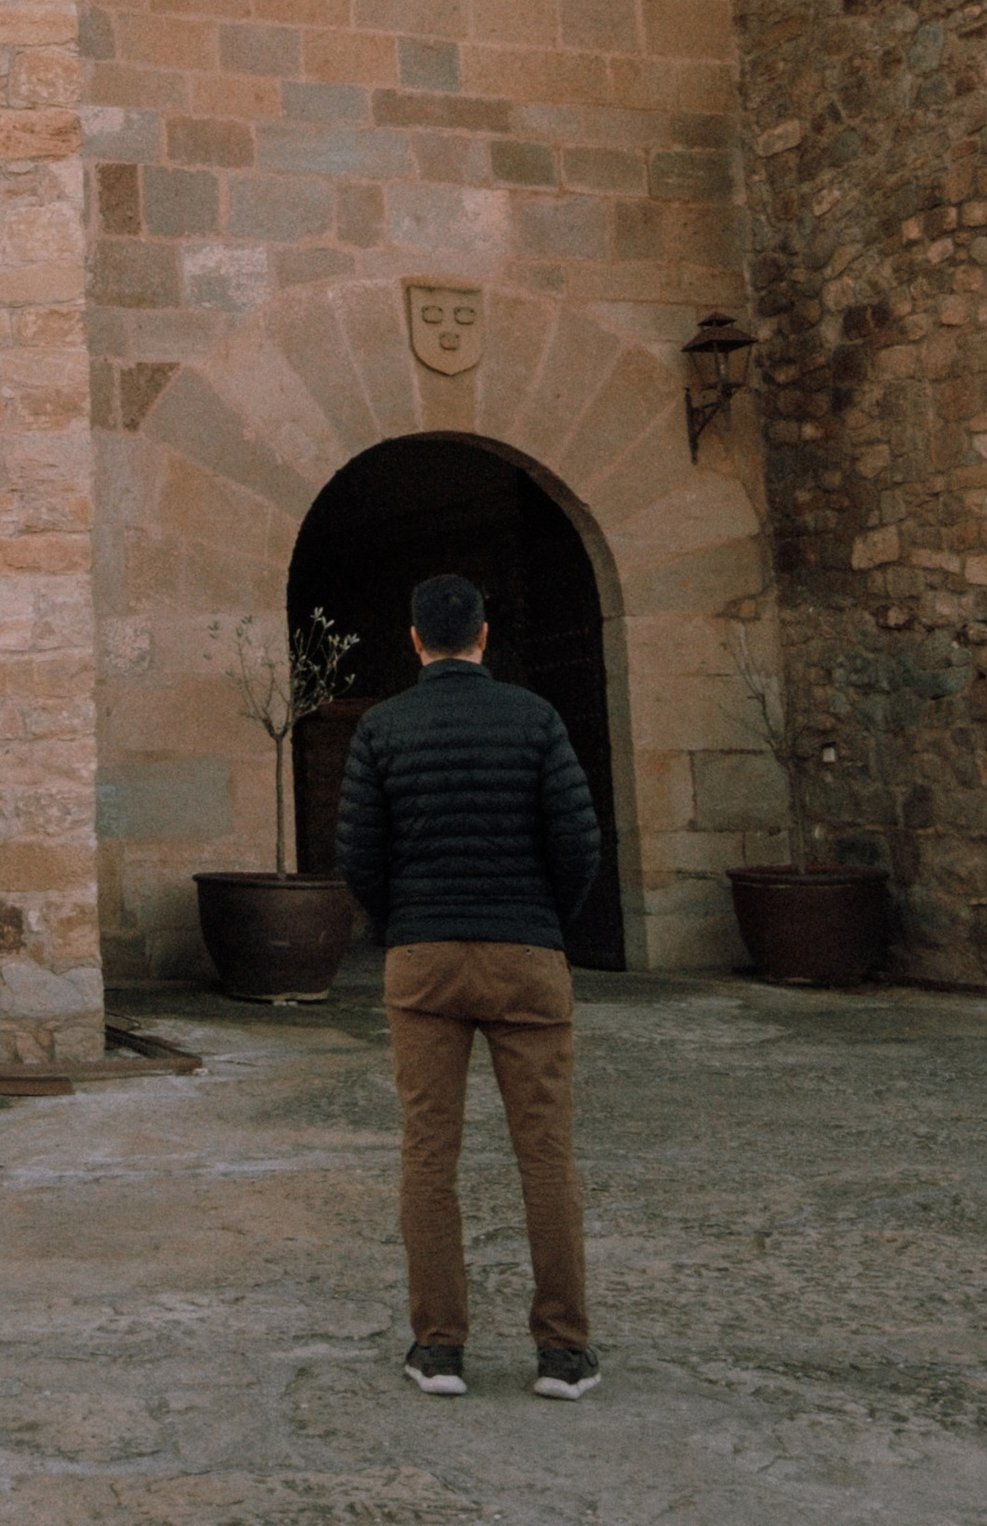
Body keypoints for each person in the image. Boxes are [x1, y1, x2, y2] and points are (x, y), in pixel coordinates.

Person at [336, 569, 605, 1404]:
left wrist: (403, 923)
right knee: (546, 1155)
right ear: (484, 635)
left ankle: (439, 1349)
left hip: (423, 957)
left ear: (414, 641)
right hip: (527, 953)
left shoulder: (382, 726)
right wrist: (543, 921)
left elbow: (358, 855)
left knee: (429, 1153)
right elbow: (578, 842)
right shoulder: (535, 718)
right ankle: (563, 1353)